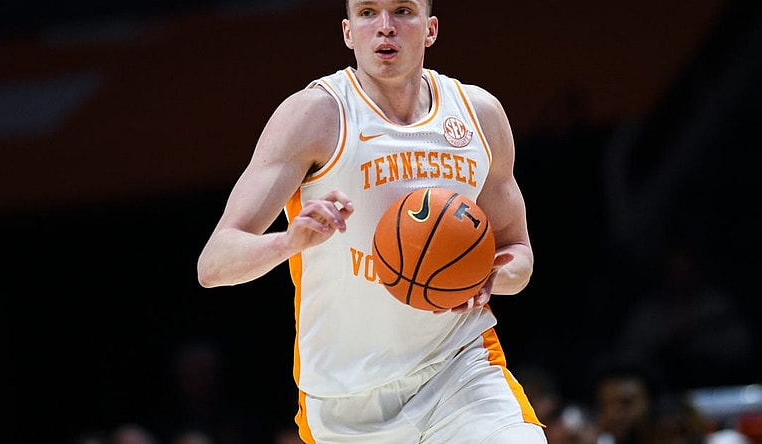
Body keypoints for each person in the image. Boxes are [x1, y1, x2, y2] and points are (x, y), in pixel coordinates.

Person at [197, 0, 546, 442]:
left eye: (402, 11)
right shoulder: (315, 115)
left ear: (431, 28)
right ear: (347, 32)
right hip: (346, 402)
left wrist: (491, 275)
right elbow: (213, 265)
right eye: (367, 13)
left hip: (459, 370)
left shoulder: (478, 115)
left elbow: (519, 254)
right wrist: (289, 242)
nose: (385, 27)